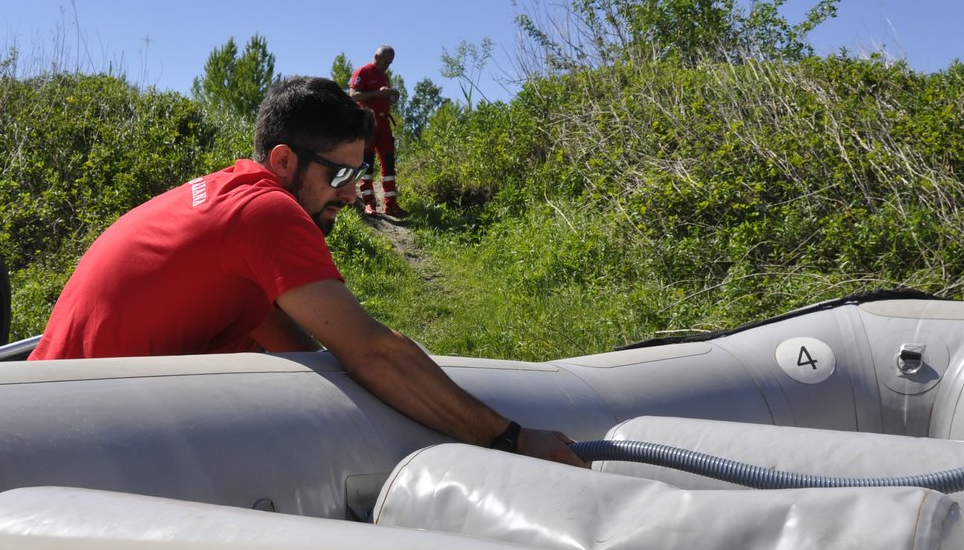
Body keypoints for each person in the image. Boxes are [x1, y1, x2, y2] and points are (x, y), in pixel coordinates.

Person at [31, 75, 584, 467]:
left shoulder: (227, 193)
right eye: (340, 174)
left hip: (37, 400)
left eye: (359, 174)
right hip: (66, 433)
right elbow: (370, 353)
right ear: (284, 161)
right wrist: (509, 438)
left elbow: (294, 345)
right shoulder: (267, 211)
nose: (349, 194)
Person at [347, 44, 402, 217]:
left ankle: (391, 205)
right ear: (376, 57)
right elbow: (353, 95)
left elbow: (383, 97)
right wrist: (378, 94)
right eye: (385, 61)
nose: (387, 65)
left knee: (389, 164)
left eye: (390, 63)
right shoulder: (363, 72)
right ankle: (369, 204)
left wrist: (392, 95)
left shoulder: (384, 77)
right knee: (367, 163)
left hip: (384, 123)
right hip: (368, 123)